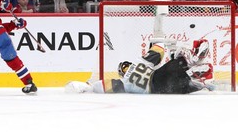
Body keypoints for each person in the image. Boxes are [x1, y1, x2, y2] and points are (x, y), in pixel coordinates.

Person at [65, 40, 214, 94]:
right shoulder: (139, 63)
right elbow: (160, 48)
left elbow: (104, 86)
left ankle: (203, 81)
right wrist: (172, 52)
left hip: (162, 91)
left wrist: (87, 86)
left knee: (188, 84)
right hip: (160, 76)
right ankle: (193, 59)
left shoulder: (124, 83)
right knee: (181, 58)